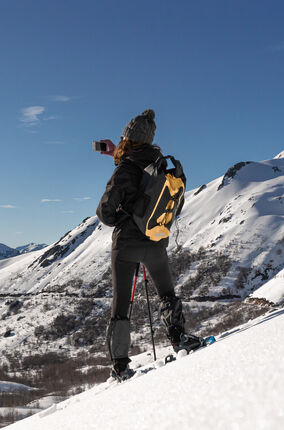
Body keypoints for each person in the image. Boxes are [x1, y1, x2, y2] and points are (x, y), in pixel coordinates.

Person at [96, 108, 201, 381]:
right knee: (166, 292)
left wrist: (126, 218)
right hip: (156, 241)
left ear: (127, 139)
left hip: (127, 245)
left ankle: (120, 365)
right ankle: (178, 338)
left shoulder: (124, 170)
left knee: (121, 305)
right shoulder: (161, 166)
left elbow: (104, 213)